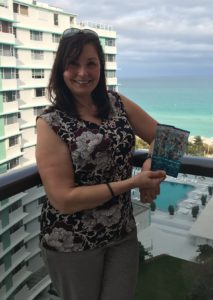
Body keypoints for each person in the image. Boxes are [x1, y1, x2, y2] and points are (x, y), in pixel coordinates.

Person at [35, 27, 166, 300]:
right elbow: (63, 199)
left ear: (101, 67)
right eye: (73, 64)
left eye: (91, 63)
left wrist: (149, 166)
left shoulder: (116, 102)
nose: (83, 73)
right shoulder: (51, 123)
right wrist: (132, 183)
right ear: (62, 69)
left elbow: (166, 138)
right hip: (72, 242)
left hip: (122, 233)